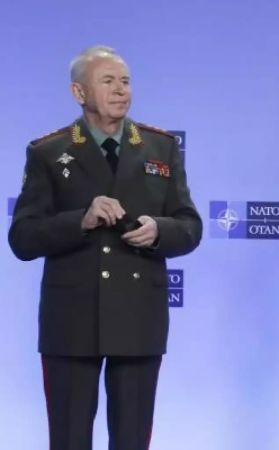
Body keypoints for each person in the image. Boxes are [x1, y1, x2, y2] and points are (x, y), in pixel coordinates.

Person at [8, 45, 202, 450]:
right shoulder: (48, 151)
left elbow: (190, 227)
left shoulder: (160, 147)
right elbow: (23, 239)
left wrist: (158, 230)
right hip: (72, 323)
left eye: (126, 81)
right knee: (69, 439)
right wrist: (80, 219)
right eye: (108, 81)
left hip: (137, 320)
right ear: (79, 93)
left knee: (132, 440)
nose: (120, 90)